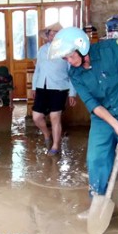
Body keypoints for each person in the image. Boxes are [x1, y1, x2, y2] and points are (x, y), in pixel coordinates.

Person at [49, 27, 118, 232]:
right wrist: (115, 124)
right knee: (95, 158)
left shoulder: (109, 50)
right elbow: (92, 104)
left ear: (81, 47)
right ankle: (98, 203)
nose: (69, 61)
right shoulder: (75, 74)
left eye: (70, 56)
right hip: (103, 118)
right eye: (65, 58)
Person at [32, 23, 77, 156]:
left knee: (54, 116)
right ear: (47, 36)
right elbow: (38, 69)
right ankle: (47, 134)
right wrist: (34, 86)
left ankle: (55, 145)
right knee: (36, 117)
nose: (53, 36)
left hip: (59, 87)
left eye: (56, 34)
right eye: (51, 34)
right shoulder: (42, 50)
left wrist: (72, 93)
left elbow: (72, 72)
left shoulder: (67, 50)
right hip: (42, 86)